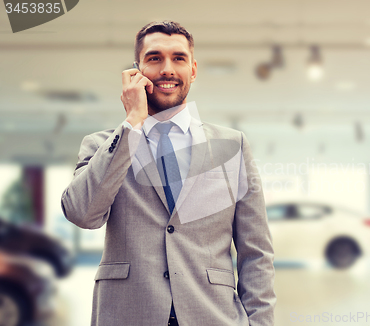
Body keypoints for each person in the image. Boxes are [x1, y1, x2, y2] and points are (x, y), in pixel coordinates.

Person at [61, 21, 276, 326]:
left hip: (212, 314)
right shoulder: (102, 145)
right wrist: (132, 123)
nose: (167, 69)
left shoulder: (233, 145)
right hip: (127, 314)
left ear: (193, 69)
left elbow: (256, 251)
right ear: (136, 70)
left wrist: (260, 322)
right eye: (154, 58)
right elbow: (82, 214)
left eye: (178, 58)